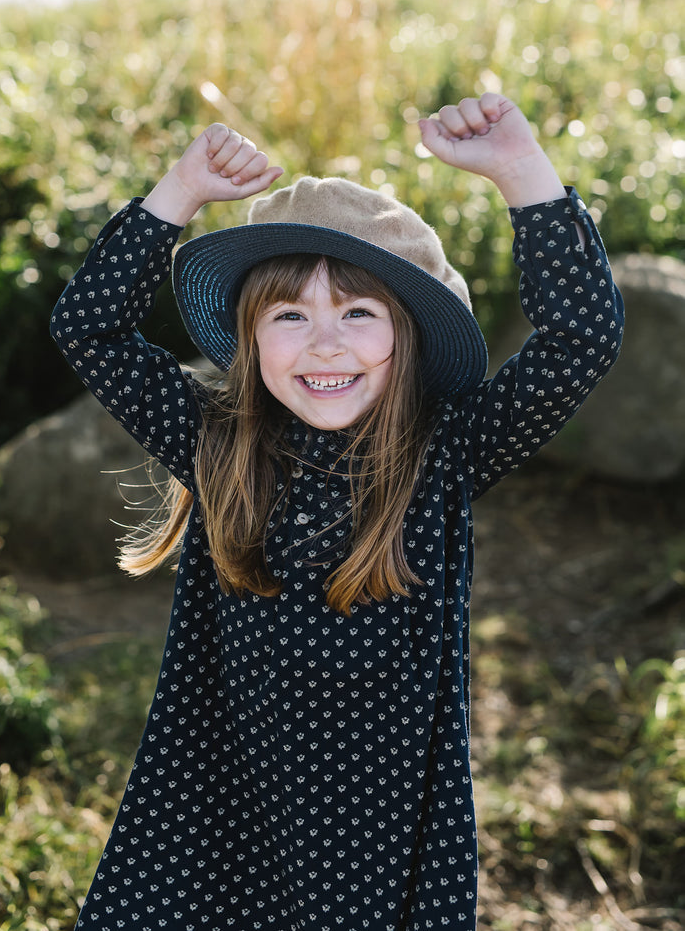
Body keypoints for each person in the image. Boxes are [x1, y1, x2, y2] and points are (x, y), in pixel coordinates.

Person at [51, 92, 623, 931]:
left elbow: (582, 339)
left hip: (378, 839)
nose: (325, 344)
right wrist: (178, 192)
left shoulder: (445, 454)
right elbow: (90, 328)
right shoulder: (220, 443)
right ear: (248, 338)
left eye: (358, 312)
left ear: (408, 337)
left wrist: (520, 171)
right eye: (290, 315)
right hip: (214, 806)